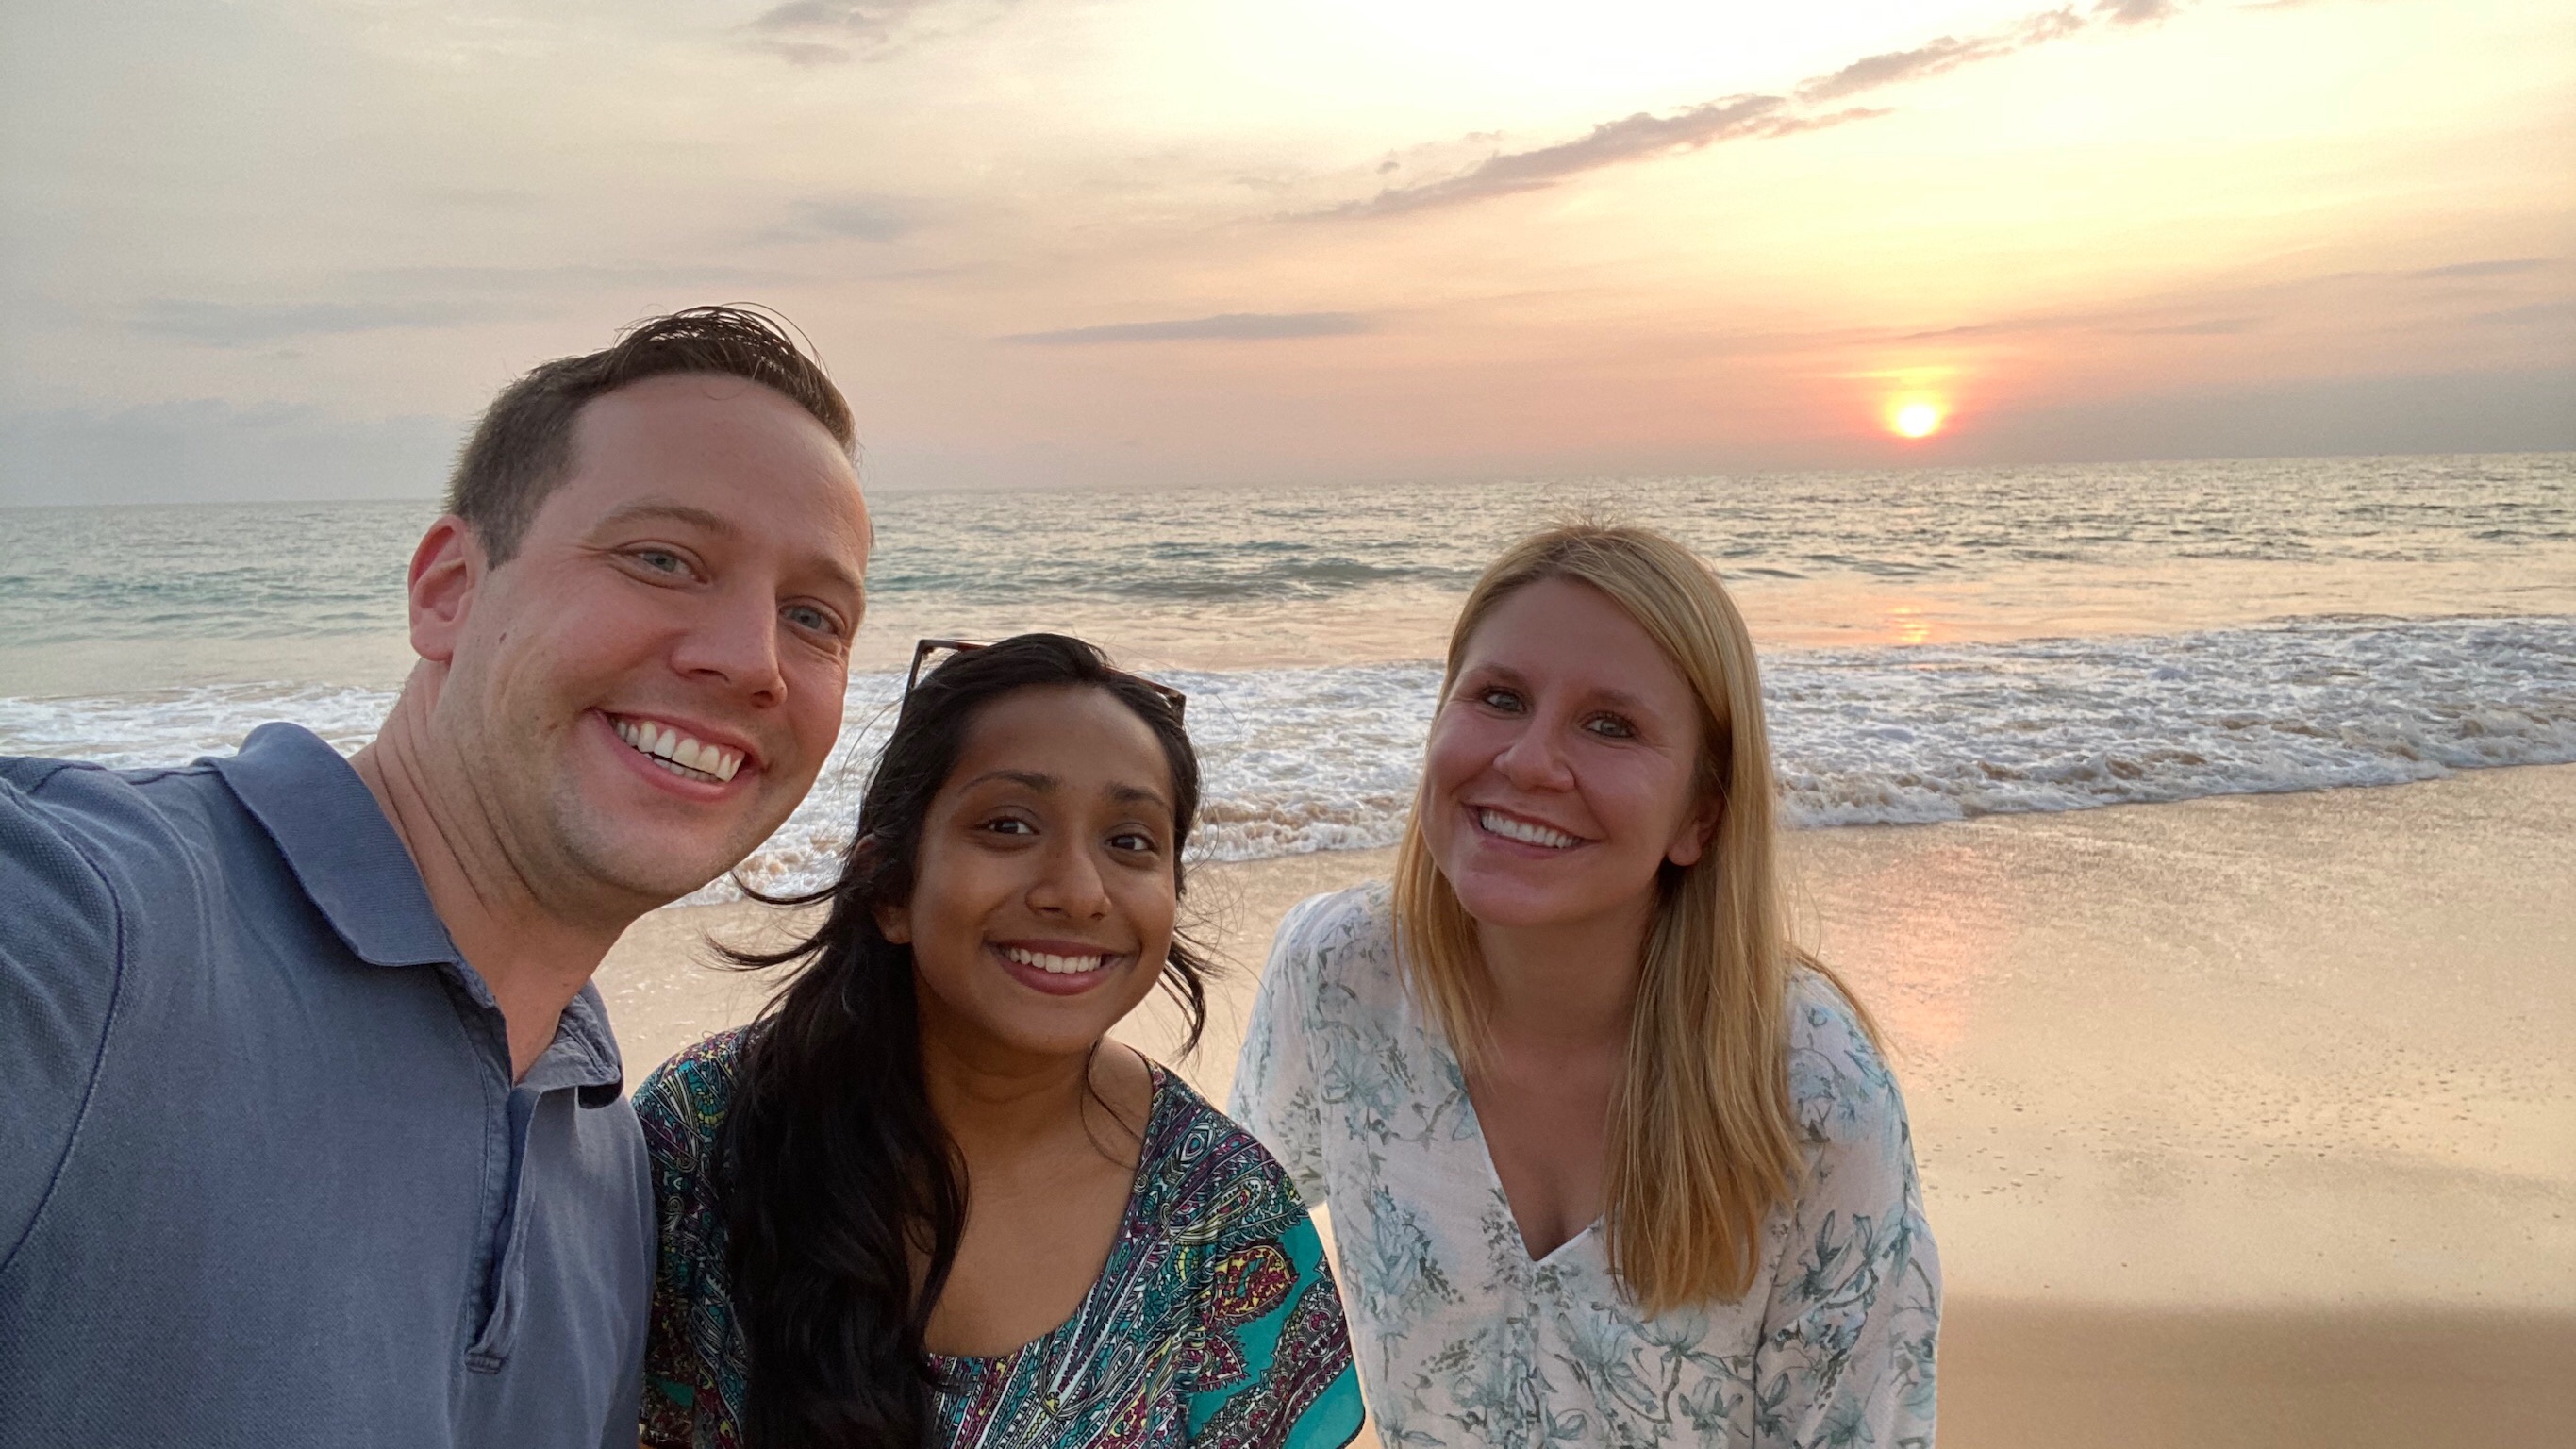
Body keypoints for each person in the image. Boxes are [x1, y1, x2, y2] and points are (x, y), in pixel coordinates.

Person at [0, 307, 873, 1448]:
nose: (753, 661)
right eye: (663, 559)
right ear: (449, 590)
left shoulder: (604, 1156)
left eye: (812, 616)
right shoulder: (83, 924)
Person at [1230, 524, 1940, 1447]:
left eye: (1610, 725)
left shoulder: (1808, 1084)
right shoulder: (1338, 974)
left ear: (1699, 817)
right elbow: (1219, 1268)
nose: (1528, 761)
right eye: (1499, 698)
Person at [637, 633, 1366, 1449]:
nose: (1079, 893)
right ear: (889, 888)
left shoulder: (1222, 1213)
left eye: (1130, 841)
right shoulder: (701, 1132)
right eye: (1009, 825)